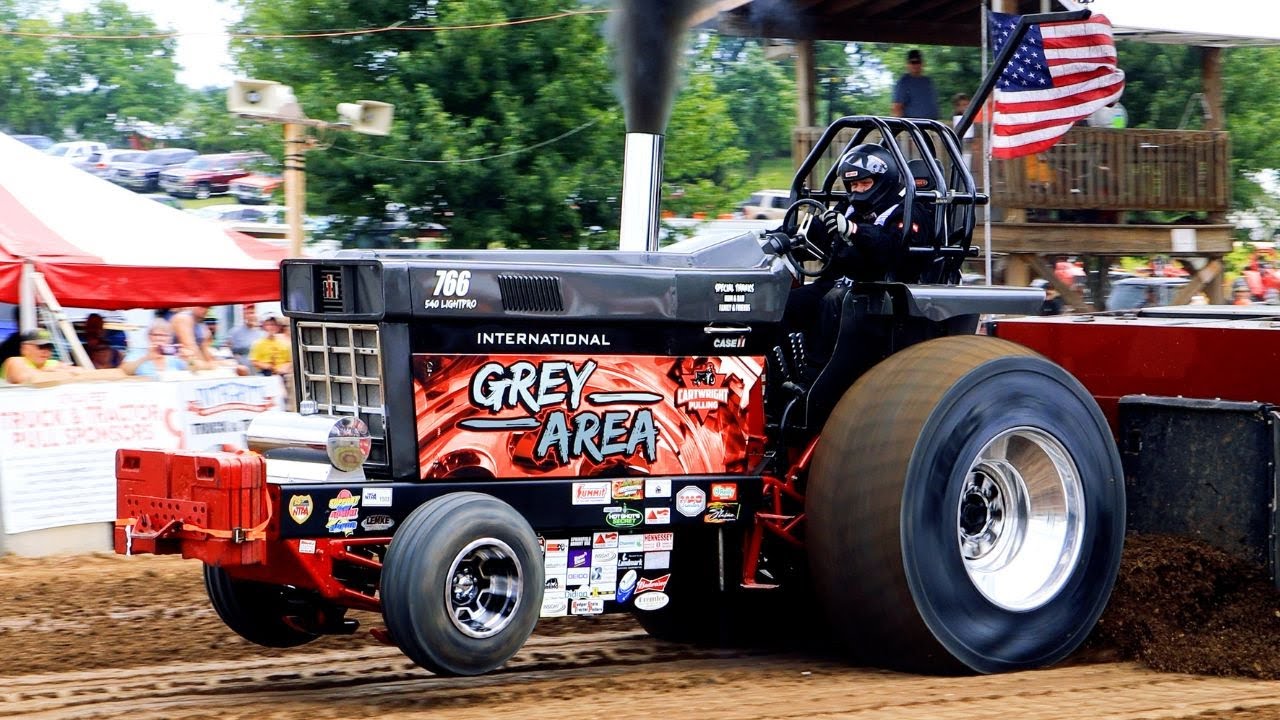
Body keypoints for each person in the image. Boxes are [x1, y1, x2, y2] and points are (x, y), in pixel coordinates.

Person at [783, 144, 920, 368]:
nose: (858, 190)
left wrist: (854, 230)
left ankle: (816, 371)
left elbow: (891, 249)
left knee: (833, 301)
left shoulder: (906, 210)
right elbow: (821, 228)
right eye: (853, 184)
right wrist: (786, 236)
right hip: (837, 282)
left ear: (883, 181)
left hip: (880, 288)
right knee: (784, 304)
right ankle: (783, 370)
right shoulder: (849, 207)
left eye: (865, 183)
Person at [1, 329, 83, 384]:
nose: (45, 350)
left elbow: (81, 373)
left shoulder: (53, 363)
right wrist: (52, 372)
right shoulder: (14, 361)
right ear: (25, 348)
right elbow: (29, 379)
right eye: (40, 346)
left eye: (49, 346)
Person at [120, 318, 189, 377]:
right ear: (148, 336)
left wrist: (190, 359)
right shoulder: (138, 353)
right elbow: (125, 371)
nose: (159, 338)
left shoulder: (174, 354)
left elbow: (195, 369)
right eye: (155, 335)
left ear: (170, 338)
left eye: (164, 335)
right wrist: (146, 358)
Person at [892, 49, 938, 120]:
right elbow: (897, 108)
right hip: (913, 126)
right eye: (913, 62)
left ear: (922, 63)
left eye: (918, 62)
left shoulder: (928, 81)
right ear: (908, 64)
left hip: (932, 124)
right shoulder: (904, 82)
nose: (915, 65)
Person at [226, 303, 266, 371]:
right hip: (241, 371)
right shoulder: (234, 333)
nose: (251, 316)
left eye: (252, 313)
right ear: (243, 315)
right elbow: (230, 352)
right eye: (248, 313)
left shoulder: (263, 334)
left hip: (260, 371)